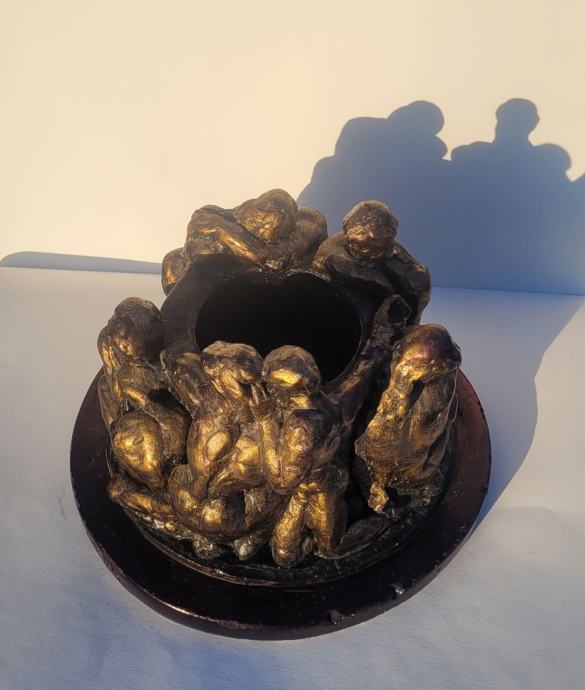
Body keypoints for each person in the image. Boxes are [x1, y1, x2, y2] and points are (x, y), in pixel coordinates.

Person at [255, 346, 346, 566]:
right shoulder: (325, 401)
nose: (267, 391)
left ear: (281, 390)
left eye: (270, 386)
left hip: (310, 489)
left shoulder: (300, 426)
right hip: (324, 479)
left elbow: (282, 482)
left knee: (292, 554)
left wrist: (265, 420)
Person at [312, 200, 431, 323]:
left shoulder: (411, 272)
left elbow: (413, 308)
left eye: (370, 244)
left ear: (389, 236)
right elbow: (328, 263)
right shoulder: (333, 252)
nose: (356, 249)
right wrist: (377, 282)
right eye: (352, 243)